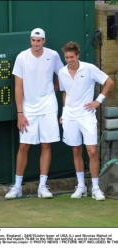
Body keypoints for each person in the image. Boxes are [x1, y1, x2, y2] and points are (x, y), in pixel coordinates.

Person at [5, 28, 64, 199]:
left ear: (44, 41)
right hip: (28, 109)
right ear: (30, 40)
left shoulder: (52, 56)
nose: (36, 43)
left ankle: (42, 186)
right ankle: (17, 187)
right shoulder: (22, 57)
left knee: (46, 144)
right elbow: (18, 86)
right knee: (24, 146)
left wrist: (53, 90)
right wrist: (20, 112)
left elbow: (62, 74)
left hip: (48, 107)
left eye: (39, 41)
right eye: (33, 40)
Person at [58, 41, 113, 201]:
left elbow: (109, 81)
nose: (69, 60)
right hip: (70, 116)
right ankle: (81, 186)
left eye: (72, 57)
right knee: (76, 151)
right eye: (67, 57)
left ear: (78, 56)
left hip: (87, 116)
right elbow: (65, 93)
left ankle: (95, 188)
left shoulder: (89, 69)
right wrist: (64, 112)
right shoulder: (62, 72)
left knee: (92, 151)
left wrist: (98, 100)